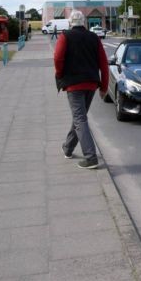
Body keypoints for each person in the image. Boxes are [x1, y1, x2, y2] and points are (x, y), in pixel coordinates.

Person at [54, 10, 109, 169]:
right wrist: (104, 87)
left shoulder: (65, 36)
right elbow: (103, 64)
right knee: (80, 117)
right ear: (84, 22)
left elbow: (58, 58)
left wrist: (59, 74)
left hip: (73, 84)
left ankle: (91, 157)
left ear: (71, 23)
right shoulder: (94, 38)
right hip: (91, 84)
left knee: (79, 118)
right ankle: (68, 148)